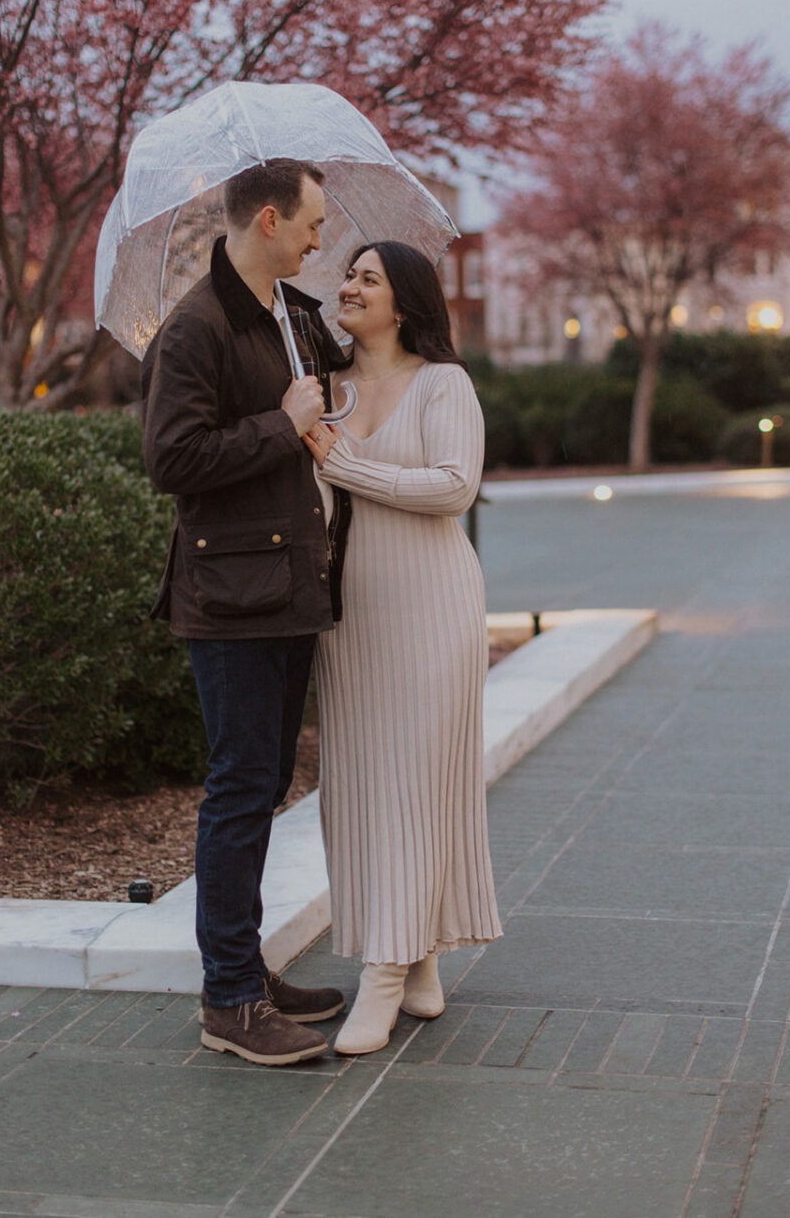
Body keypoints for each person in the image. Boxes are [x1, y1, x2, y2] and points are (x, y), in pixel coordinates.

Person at [141, 158, 351, 1067]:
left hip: (291, 586)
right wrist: (280, 419)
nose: (320, 239)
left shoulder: (292, 317)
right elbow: (174, 460)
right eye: (311, 223)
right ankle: (228, 999)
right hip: (230, 598)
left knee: (263, 787)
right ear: (268, 219)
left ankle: (247, 971)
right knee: (238, 789)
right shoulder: (196, 327)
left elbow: (327, 397)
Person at [303, 241, 502, 1055]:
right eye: (347, 274)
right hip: (350, 614)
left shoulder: (444, 383)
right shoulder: (322, 394)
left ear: (406, 302)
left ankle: (384, 972)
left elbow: (454, 487)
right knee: (359, 787)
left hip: (432, 607)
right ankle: (417, 950)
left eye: (367, 278)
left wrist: (346, 464)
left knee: (417, 784)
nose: (347, 286)